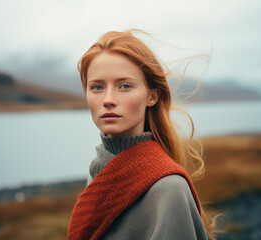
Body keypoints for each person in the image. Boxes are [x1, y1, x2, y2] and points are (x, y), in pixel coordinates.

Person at [67, 29, 216, 240]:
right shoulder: (98, 169)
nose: (108, 99)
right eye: (97, 87)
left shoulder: (169, 188)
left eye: (125, 86)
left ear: (152, 96)